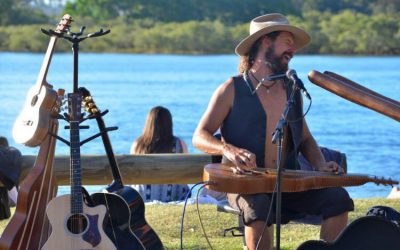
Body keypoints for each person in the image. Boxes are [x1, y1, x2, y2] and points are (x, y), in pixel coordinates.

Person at [192, 13, 354, 250]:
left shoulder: (292, 89)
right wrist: (229, 149)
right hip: (244, 186)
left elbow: (306, 138)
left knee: (338, 199)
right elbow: (200, 135)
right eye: (287, 42)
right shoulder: (231, 89)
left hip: (287, 185)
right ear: (265, 41)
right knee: (258, 207)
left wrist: (320, 164)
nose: (293, 50)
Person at [130, 106, 190, 202]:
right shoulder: (179, 144)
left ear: (149, 123)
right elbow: (187, 171)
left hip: (142, 198)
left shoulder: (137, 145)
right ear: (169, 124)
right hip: (175, 197)